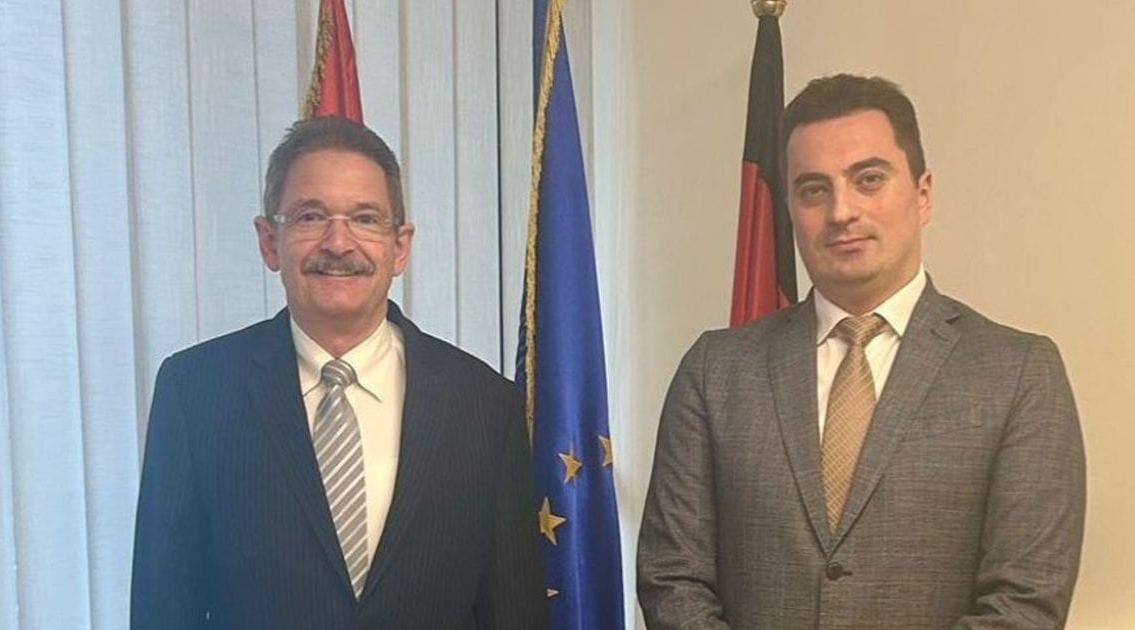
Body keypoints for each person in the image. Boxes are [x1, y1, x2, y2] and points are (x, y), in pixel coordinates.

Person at [637, 74, 1085, 629]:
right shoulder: (715, 372)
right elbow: (672, 580)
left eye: (868, 179)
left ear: (923, 193)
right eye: (813, 189)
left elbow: (1024, 604)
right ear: (790, 207)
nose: (841, 211)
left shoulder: (1018, 375)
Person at [131, 116, 547, 629]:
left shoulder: (484, 405)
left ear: (400, 246)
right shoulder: (195, 393)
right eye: (310, 216)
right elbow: (163, 610)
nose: (338, 243)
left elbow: (515, 614)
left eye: (365, 218)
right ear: (269, 241)